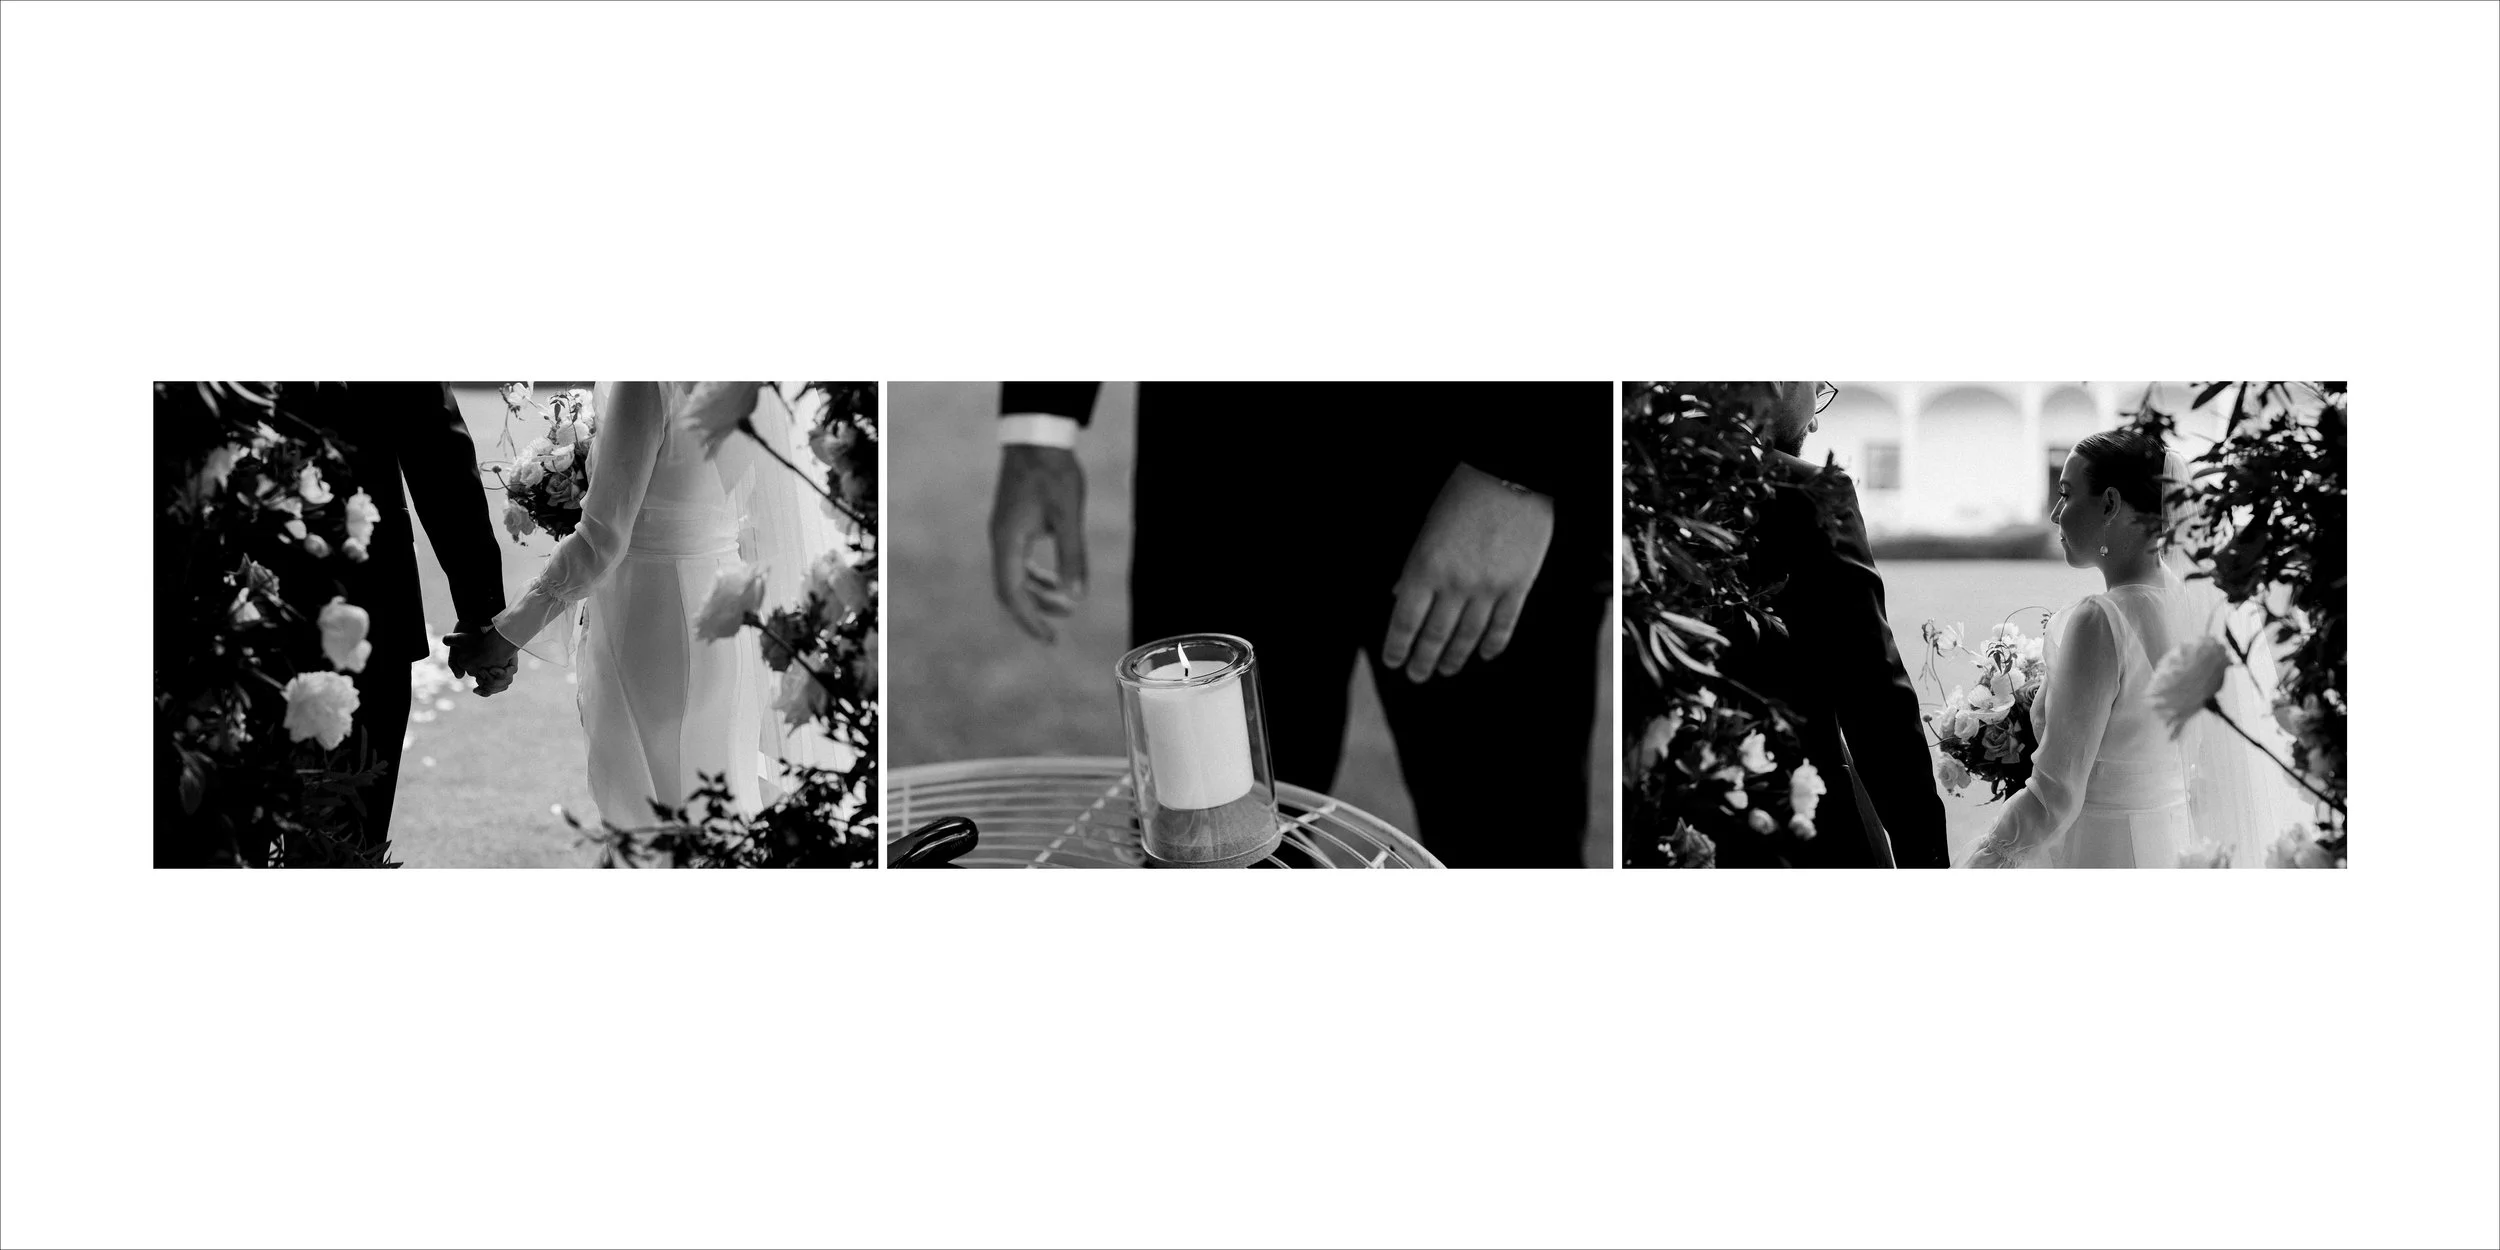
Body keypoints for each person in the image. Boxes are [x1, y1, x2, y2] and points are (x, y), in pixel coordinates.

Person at [987, 381, 1610, 868]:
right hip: (1221, 463)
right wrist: (1039, 428)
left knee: (1511, 841)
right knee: (1208, 854)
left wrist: (1523, 467)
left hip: (1472, 462)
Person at [450, 382, 834, 840]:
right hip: (727, 605)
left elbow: (603, 538)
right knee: (713, 798)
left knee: (650, 813)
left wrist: (506, 634)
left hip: (654, 618)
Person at [1964, 424, 2302, 868]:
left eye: (2066, 494)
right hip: (2172, 840)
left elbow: (2056, 798)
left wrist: (1982, 862)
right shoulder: (2192, 601)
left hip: (2104, 850)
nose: (2055, 514)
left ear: (2109, 503)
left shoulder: (2100, 620)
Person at [1707, 381, 1951, 868]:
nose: (1816, 419)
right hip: (1797, 825)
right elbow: (1873, 692)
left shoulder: (1639, 470)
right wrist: (1926, 860)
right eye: (1817, 389)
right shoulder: (1805, 491)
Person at [286, 382, 515, 853]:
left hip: (205, 590)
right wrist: (484, 619)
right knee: (339, 836)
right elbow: (437, 453)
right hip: (359, 603)